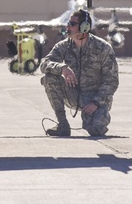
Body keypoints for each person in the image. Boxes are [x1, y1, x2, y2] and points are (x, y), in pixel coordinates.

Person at [40, 8, 118, 137]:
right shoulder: (63, 46)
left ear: (84, 27)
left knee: (95, 130)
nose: (68, 26)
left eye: (72, 24)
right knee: (49, 78)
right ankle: (63, 124)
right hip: (73, 93)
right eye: (68, 23)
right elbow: (44, 64)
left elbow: (112, 80)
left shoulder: (103, 48)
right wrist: (62, 68)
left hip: (95, 98)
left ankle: (97, 118)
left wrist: (96, 102)